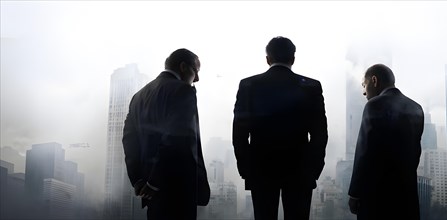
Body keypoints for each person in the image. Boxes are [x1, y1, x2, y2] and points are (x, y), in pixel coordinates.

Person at [232, 36, 328, 220]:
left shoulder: (248, 85)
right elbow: (319, 134)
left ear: (267, 59)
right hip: (300, 170)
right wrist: (313, 169)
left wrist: (246, 169)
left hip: (261, 170)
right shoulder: (311, 87)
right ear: (293, 58)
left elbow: (239, 134)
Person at [122, 48, 210, 220]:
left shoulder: (138, 97)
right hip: (177, 187)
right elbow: (176, 139)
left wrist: (139, 181)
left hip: (150, 192)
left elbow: (129, 141)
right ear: (184, 67)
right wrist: (155, 182)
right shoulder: (183, 91)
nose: (197, 79)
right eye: (196, 71)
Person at [348, 64, 424, 220]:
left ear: (374, 80)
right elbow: (416, 153)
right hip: (407, 195)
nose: (364, 92)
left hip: (377, 196)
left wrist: (354, 193)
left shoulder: (373, 105)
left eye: (364, 85)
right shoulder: (417, 108)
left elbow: (364, 151)